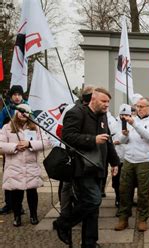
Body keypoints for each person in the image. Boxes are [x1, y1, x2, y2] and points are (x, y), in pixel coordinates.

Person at [53, 88, 120, 247]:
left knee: (93, 209)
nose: (106, 105)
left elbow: (108, 141)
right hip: (81, 167)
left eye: (108, 102)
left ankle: (89, 242)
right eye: (103, 101)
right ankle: (63, 223)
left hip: (98, 167)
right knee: (93, 200)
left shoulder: (103, 116)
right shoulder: (76, 113)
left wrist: (115, 162)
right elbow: (67, 137)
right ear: (93, 100)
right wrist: (92, 139)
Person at [0, 104, 51, 226]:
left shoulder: (36, 128)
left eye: (26, 112)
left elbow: (47, 142)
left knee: (32, 193)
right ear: (16, 113)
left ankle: (33, 215)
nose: (23, 114)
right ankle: (17, 216)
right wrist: (15, 146)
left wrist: (29, 144)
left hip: (31, 167)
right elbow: (0, 144)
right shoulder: (7, 127)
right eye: (21, 112)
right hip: (14, 167)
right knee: (16, 194)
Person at [114, 97, 149, 232]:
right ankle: (123, 218)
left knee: (143, 192)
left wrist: (134, 123)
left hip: (144, 160)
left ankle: (142, 219)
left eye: (142, 106)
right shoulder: (132, 119)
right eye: (137, 106)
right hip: (128, 159)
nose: (138, 109)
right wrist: (124, 134)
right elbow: (122, 140)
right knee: (124, 190)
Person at [55, 86, 95, 221]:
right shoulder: (72, 110)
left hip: (89, 156)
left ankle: (81, 212)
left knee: (84, 187)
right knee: (66, 186)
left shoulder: (96, 111)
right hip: (71, 154)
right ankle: (65, 214)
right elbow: (61, 131)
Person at [0, 85, 27, 215]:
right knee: (9, 175)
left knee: (21, 178)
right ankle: (8, 203)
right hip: (10, 148)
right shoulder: (6, 109)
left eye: (19, 94)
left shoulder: (27, 108)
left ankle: (18, 204)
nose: (17, 97)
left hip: (24, 148)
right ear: (11, 96)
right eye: (14, 94)